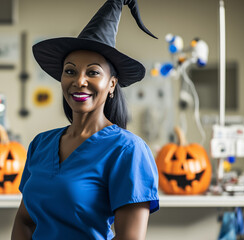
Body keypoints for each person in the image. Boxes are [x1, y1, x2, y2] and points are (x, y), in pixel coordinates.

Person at [12, 0, 159, 239]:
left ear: (112, 84)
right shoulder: (41, 144)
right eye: (70, 71)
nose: (79, 81)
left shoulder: (128, 150)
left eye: (93, 72)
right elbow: (24, 221)